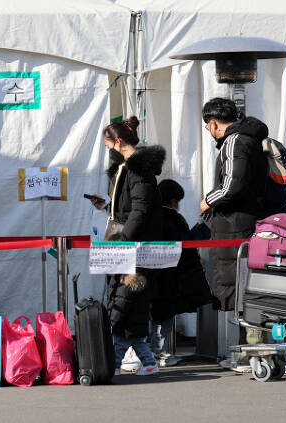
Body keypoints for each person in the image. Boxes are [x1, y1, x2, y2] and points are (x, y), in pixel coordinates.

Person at [200, 98, 269, 352]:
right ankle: (253, 348)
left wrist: (208, 200)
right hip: (252, 220)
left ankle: (249, 350)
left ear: (213, 123)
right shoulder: (250, 139)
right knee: (251, 285)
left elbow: (232, 185)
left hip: (236, 224)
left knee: (241, 287)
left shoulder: (233, 142)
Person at [102, 116, 165, 376]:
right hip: (132, 240)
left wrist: (123, 239)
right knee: (130, 299)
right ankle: (143, 361)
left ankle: (118, 359)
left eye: (108, 146)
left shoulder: (137, 169)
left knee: (123, 296)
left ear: (118, 142)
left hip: (133, 244)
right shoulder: (130, 168)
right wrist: (107, 206)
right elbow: (132, 206)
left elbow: (139, 210)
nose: (108, 151)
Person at [148, 179, 212, 367]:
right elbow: (184, 245)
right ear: (172, 200)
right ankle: (158, 352)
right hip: (171, 278)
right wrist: (201, 229)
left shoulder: (153, 216)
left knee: (158, 316)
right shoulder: (171, 218)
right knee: (164, 319)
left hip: (159, 276)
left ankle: (157, 351)